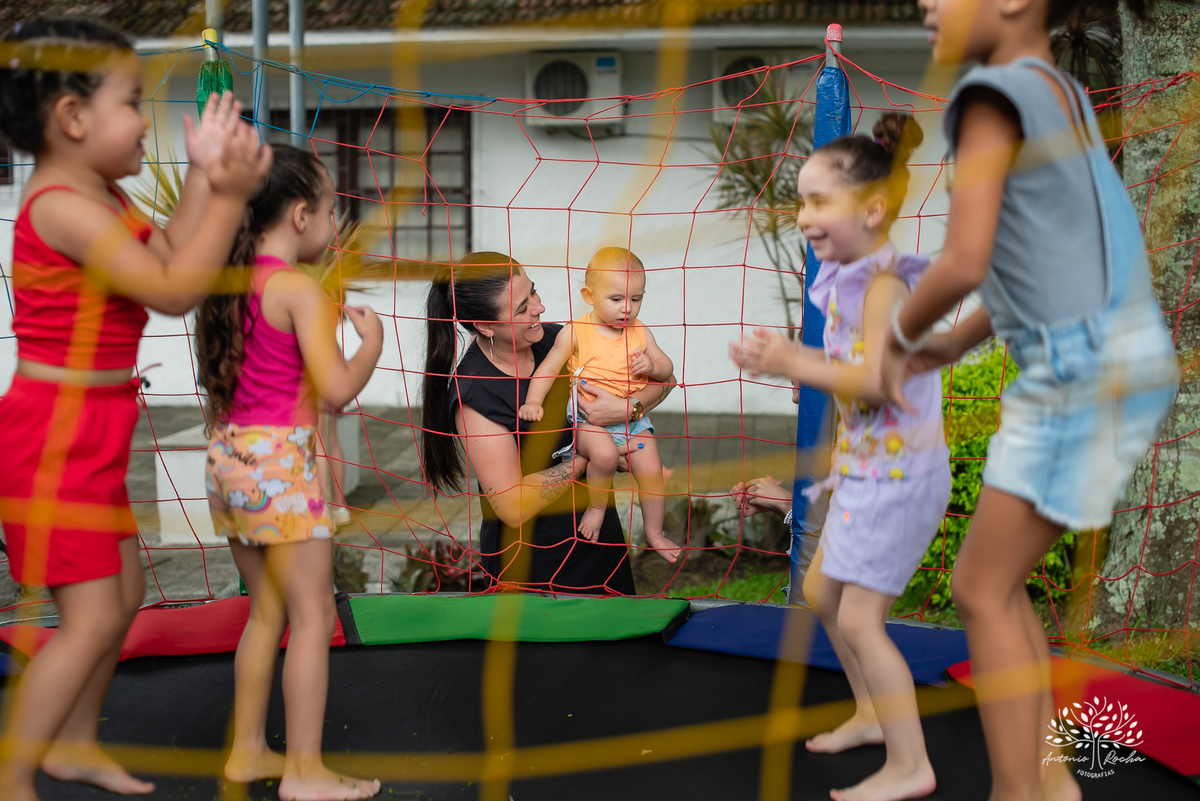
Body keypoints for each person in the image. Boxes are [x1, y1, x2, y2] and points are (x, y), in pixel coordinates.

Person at [879, 0, 1179, 798]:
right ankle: (1052, 783)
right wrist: (953, 341)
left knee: (979, 586)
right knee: (1001, 586)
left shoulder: (989, 97)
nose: (925, 5)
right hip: (1126, 353)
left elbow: (965, 257)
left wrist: (898, 338)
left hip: (1078, 370)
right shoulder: (1064, 93)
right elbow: (1044, 250)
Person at [0, 18, 270, 801]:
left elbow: (171, 251)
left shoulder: (103, 194)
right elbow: (177, 290)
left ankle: (74, 744)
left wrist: (200, 180)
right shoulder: (62, 206)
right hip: (52, 436)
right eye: (130, 100)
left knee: (119, 598)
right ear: (72, 119)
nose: (145, 117)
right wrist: (229, 193)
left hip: (90, 429)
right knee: (85, 618)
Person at [732, 113, 951, 801]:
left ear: (873, 209)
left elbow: (877, 380)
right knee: (825, 593)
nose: (804, 216)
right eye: (801, 200)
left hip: (900, 476)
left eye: (819, 200)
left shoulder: (885, 285)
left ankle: (911, 764)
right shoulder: (845, 271)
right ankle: (869, 713)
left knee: (860, 616)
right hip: (865, 468)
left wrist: (789, 358)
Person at [196, 144, 382, 800]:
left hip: (230, 458)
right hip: (279, 463)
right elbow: (335, 392)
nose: (336, 220)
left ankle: (247, 751)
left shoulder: (228, 281)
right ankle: (304, 771)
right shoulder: (298, 288)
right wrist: (372, 345)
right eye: (332, 207)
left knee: (265, 611)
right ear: (301, 215)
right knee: (311, 616)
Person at [420, 252, 676, 594]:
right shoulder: (475, 391)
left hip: (599, 537)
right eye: (522, 308)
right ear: (485, 326)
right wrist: (593, 457)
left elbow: (667, 380)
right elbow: (511, 506)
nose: (539, 308)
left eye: (534, 293)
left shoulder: (555, 340)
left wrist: (625, 410)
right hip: (535, 565)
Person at [517, 247, 680, 562]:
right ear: (589, 296)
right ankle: (596, 509)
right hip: (589, 422)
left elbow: (667, 369)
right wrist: (533, 401)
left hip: (633, 422)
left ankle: (654, 533)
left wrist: (650, 365)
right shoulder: (576, 331)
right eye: (616, 299)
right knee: (603, 457)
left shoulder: (639, 331)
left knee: (652, 469)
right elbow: (549, 368)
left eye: (636, 299)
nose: (627, 309)